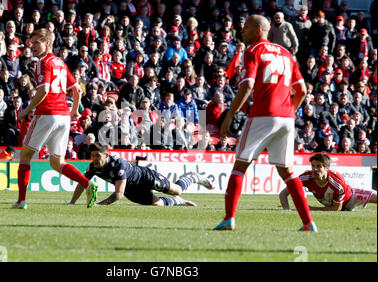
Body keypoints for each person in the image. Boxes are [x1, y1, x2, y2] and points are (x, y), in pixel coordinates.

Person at [214, 15, 317, 232]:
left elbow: (247, 85)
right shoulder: (287, 54)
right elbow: (303, 90)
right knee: (287, 171)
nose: (242, 30)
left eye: (246, 27)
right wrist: (290, 111)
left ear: (259, 30)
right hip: (287, 117)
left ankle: (229, 219)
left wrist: (230, 115)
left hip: (263, 114)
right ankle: (309, 223)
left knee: (240, 166)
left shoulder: (252, 51)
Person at [11, 28, 97, 210]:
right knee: (57, 162)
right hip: (64, 117)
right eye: (31, 42)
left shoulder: (43, 62)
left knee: (25, 155)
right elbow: (78, 90)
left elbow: (43, 90)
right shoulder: (61, 63)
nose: (32, 46)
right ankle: (87, 184)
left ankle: (21, 201)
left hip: (47, 114)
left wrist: (26, 110)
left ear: (47, 43)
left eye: (36, 42)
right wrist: (74, 111)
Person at [69, 142, 214, 207]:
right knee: (158, 204)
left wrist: (99, 205)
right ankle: (177, 202)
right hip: (131, 191)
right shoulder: (93, 167)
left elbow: (118, 194)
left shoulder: (118, 165)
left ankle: (194, 177)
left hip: (146, 178)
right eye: (92, 156)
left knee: (178, 190)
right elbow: (82, 183)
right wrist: (72, 202)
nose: (94, 159)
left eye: (97, 156)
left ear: (106, 155)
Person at [280, 153, 377, 211]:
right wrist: (287, 210)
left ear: (327, 168)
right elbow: (283, 194)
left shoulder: (336, 183)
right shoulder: (306, 178)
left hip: (351, 198)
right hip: (334, 204)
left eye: (319, 166)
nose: (315, 169)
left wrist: (312, 208)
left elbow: (336, 209)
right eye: (313, 166)